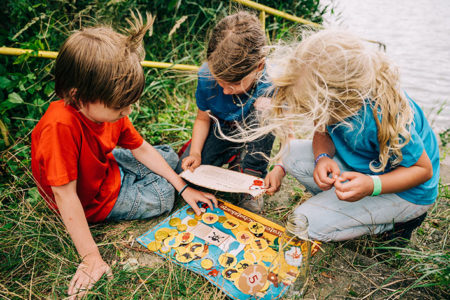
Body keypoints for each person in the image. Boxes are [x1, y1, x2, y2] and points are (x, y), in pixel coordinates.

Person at [31, 12, 217, 297]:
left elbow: (140, 147)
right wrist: (91, 258)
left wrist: (185, 187)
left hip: (107, 166)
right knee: (164, 196)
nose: (127, 112)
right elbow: (65, 196)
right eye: (120, 107)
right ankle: (153, 186)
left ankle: (164, 179)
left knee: (166, 158)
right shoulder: (60, 126)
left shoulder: (107, 111)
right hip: (93, 200)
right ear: (80, 96)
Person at [263, 29, 439, 242]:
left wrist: (371, 186)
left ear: (343, 99)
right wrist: (322, 158)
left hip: (406, 191)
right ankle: (347, 207)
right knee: (291, 154)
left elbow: (423, 170)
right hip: (365, 169)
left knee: (304, 223)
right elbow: (322, 131)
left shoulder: (384, 113)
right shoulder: (331, 98)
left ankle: (393, 223)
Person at [176, 11, 275, 213]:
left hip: (253, 134)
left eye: (234, 84)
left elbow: (286, 129)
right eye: (219, 81)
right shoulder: (206, 75)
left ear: (259, 66)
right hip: (220, 130)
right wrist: (195, 152)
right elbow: (202, 118)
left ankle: (252, 173)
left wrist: (280, 168)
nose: (225, 90)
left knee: (267, 113)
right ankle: (233, 157)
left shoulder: (271, 82)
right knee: (185, 174)